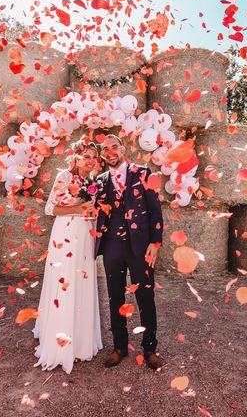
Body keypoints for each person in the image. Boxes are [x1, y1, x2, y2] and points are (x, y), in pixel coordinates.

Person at [32, 138, 103, 374]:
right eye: (87, 156)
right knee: (65, 283)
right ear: (76, 156)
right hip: (65, 233)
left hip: (85, 234)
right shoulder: (64, 176)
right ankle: (60, 342)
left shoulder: (92, 181)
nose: (91, 160)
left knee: (81, 282)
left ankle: (81, 340)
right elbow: (50, 208)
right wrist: (79, 209)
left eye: (94, 156)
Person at [95, 134, 165, 370]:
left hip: (140, 247)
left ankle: (149, 348)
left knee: (145, 297)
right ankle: (120, 347)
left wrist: (155, 243)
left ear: (123, 149)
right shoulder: (100, 180)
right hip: (112, 246)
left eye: (114, 147)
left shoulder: (143, 173)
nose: (110, 151)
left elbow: (155, 210)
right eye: (105, 149)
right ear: (102, 154)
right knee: (115, 297)